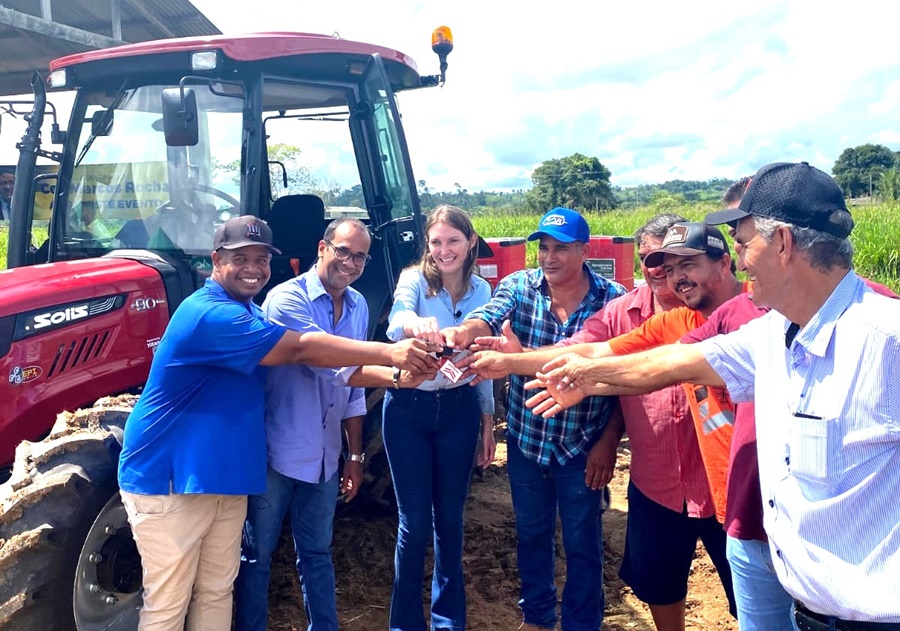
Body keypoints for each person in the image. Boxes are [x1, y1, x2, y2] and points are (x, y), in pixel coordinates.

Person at [528, 162, 900, 628]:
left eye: (744, 244)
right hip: (806, 607)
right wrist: (589, 375)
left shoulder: (888, 339)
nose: (740, 260)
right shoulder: (772, 333)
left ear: (783, 243)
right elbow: (672, 362)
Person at [117, 215, 439, 631]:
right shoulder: (210, 314)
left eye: (261, 259)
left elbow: (341, 376)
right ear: (216, 260)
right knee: (168, 603)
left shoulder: (248, 311)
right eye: (241, 258)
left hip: (226, 477)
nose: (253, 268)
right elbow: (303, 349)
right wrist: (390, 354)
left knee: (216, 591)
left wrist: (392, 378)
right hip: (172, 479)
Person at [465, 218, 740, 630]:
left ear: (726, 263)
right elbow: (592, 349)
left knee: (755, 597)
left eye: (688, 264)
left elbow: (658, 367)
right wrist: (511, 362)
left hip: (734, 489)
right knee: (659, 587)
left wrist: (592, 383)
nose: (669, 273)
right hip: (657, 483)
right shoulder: (660, 319)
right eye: (656, 261)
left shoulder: (757, 314)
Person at [442, 207, 626, 631]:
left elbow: (619, 379)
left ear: (583, 250)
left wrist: (608, 442)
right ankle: (538, 618)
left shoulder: (612, 299)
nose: (549, 257)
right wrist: (461, 333)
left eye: (561, 248)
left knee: (583, 542)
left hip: (582, 444)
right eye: (543, 248)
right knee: (532, 535)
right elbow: (488, 315)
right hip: (529, 442)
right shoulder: (519, 286)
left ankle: (582, 623)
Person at [234, 218, 384, 630]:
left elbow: (351, 393)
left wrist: (354, 455)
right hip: (276, 454)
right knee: (256, 556)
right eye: (343, 251)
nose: (350, 263)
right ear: (322, 248)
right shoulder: (285, 299)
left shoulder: (359, 305)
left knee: (317, 552)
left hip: (324, 457)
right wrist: (396, 365)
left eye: (359, 256)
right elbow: (326, 363)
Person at [381, 205, 496, 631]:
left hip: (459, 412)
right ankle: (406, 623)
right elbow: (397, 319)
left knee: (450, 519)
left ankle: (449, 621)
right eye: (436, 242)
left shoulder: (482, 291)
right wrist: (415, 325)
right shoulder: (414, 281)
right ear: (427, 247)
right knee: (413, 523)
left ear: (470, 243)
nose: (444, 251)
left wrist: (487, 420)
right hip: (409, 410)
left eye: (453, 241)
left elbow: (482, 358)